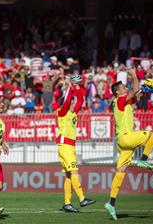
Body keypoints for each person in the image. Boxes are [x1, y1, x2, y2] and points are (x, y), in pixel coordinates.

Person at [105, 68, 153, 220]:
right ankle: (143, 159)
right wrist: (134, 75)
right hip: (126, 137)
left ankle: (111, 203)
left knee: (121, 170)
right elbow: (135, 89)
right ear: (117, 92)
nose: (126, 88)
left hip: (122, 143)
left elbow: (138, 93)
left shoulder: (125, 101)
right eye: (123, 87)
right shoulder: (120, 100)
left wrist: (147, 88)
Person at [56, 75, 96, 213]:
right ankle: (82, 198)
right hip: (65, 146)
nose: (74, 104)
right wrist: (70, 85)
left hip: (70, 146)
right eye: (72, 103)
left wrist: (78, 87)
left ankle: (67, 203)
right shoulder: (62, 112)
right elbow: (67, 100)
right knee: (74, 172)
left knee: (68, 176)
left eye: (74, 103)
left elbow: (81, 99)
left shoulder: (73, 113)